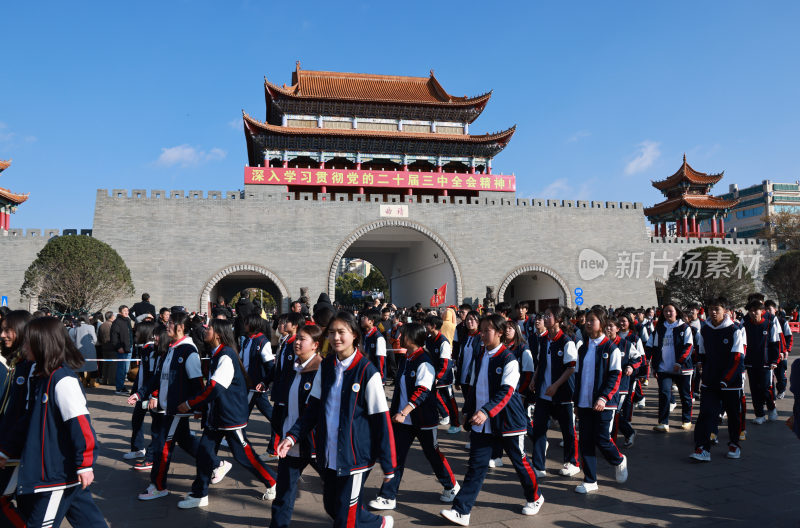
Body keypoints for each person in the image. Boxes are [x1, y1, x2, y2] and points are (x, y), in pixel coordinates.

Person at [276, 311, 396, 528]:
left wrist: (389, 466)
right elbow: (312, 409)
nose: (336, 338)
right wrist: (292, 436)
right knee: (332, 506)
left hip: (355, 458)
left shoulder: (368, 372)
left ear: (355, 335)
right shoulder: (327, 365)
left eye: (342, 332)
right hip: (329, 454)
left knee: (344, 519)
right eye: (331, 333)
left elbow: (382, 422)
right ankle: (377, 524)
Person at [0, 317, 107, 528]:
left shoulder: (63, 380)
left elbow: (81, 426)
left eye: (29, 342)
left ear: (42, 343)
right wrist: (6, 450)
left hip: (56, 475)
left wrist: (85, 464)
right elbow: (27, 421)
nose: (24, 346)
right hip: (49, 472)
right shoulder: (41, 377)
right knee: (88, 519)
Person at [441, 314, 543, 526]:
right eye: (482, 330)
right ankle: (461, 510)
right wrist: (467, 410)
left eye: (488, 330)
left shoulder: (509, 359)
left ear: (499, 333)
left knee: (519, 462)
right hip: (483, 423)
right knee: (476, 466)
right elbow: (476, 387)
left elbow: (506, 392)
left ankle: (535, 497)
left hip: (508, 422)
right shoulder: (481, 356)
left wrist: (486, 411)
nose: (483, 334)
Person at [177, 319, 277, 508]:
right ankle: (200, 493)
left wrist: (192, 403)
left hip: (230, 417)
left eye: (210, 328)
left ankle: (272, 480)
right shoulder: (217, 354)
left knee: (244, 456)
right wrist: (202, 409)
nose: (205, 329)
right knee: (205, 454)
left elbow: (214, 388)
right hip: (217, 416)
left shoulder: (226, 355)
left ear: (218, 334)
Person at [369, 322, 459, 512]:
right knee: (397, 457)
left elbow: (423, 391)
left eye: (403, 334)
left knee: (432, 454)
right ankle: (388, 496)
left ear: (412, 338)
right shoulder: (407, 359)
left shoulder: (424, 361)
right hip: (404, 422)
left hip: (422, 419)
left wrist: (404, 412)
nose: (400, 337)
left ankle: (451, 486)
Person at [129, 311, 214, 501]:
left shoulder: (188, 351)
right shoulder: (171, 349)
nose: (167, 326)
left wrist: (198, 407)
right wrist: (140, 393)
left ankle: (158, 486)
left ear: (181, 327)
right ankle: (215, 464)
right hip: (168, 408)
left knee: (162, 448)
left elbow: (197, 382)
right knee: (183, 441)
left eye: (171, 324)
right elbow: (158, 378)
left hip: (177, 410)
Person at [269, 324, 323, 527]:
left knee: (337, 497)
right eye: (297, 338)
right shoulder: (295, 368)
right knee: (283, 494)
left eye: (303, 339)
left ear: (315, 345)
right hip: (290, 442)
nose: (297, 343)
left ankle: (368, 522)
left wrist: (294, 435)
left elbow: (314, 413)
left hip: (315, 443)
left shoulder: (320, 371)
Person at [573, 308, 628, 494]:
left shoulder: (610, 348)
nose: (588, 323)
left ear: (602, 324)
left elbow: (615, 376)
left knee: (602, 438)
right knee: (585, 441)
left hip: (605, 403)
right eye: (587, 320)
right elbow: (578, 376)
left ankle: (618, 459)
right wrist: (576, 402)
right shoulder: (583, 348)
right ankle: (590, 480)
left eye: (592, 320)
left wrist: (604, 397)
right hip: (584, 402)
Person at [691, 297, 745, 462]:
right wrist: (700, 364)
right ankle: (702, 448)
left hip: (731, 383)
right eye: (711, 309)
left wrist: (726, 379)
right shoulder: (705, 330)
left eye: (717, 309)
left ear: (726, 311)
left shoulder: (734, 330)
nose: (713, 312)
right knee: (706, 414)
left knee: (734, 415)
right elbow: (701, 351)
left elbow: (737, 358)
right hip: (710, 381)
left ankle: (734, 444)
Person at [528, 305, 580, 478]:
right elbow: (540, 363)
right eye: (545, 315)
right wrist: (535, 379)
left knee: (567, 430)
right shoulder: (543, 340)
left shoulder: (567, 341)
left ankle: (572, 462)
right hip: (543, 393)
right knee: (539, 429)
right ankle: (538, 466)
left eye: (549, 315)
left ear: (558, 319)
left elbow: (571, 368)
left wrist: (556, 385)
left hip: (563, 393)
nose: (545, 318)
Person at [646, 303, 694, 432]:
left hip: (682, 368)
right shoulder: (659, 329)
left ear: (676, 312)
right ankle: (663, 423)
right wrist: (652, 363)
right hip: (664, 368)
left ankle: (686, 420)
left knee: (685, 395)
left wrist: (680, 362)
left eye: (670, 311)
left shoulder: (684, 327)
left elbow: (689, 346)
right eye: (665, 311)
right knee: (664, 394)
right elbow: (651, 346)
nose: (667, 313)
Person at [123, 320, 157, 463]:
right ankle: (137, 449)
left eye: (137, 331)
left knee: (158, 425)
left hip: (148, 394)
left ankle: (152, 454)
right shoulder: (146, 349)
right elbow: (142, 374)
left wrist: (146, 394)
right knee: (137, 419)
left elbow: (152, 375)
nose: (135, 333)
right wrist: (135, 391)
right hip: (142, 393)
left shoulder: (151, 349)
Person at [742, 299, 780, 424]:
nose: (753, 313)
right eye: (750, 311)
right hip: (751, 362)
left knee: (765, 388)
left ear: (762, 311)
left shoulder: (769, 324)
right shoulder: (745, 323)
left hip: (766, 363)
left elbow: (775, 343)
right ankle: (760, 415)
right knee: (754, 389)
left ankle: (772, 408)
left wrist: (774, 360)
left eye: (755, 310)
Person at [424, 315, 460, 434]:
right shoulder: (428, 339)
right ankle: (442, 417)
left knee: (450, 401)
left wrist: (438, 377)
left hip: (444, 379)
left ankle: (456, 424)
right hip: (432, 376)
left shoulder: (443, 341)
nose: (425, 326)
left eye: (427, 324)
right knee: (433, 399)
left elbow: (445, 364)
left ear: (434, 326)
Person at [69, 314, 98, 388]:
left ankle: (83, 380)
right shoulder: (91, 327)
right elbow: (95, 339)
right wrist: (91, 344)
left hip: (78, 350)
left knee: (80, 365)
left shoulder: (74, 328)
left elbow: (71, 340)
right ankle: (92, 382)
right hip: (90, 349)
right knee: (92, 365)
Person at [110, 305, 133, 395]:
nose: (127, 312)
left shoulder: (128, 320)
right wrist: (118, 347)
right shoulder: (117, 322)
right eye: (124, 311)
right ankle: (119, 388)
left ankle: (122, 386)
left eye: (127, 310)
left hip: (129, 347)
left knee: (125, 369)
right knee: (121, 369)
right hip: (122, 349)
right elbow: (114, 336)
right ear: (120, 312)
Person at [361, 309, 387, 380]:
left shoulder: (378, 338)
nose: (362, 319)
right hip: (364, 373)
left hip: (374, 376)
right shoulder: (363, 335)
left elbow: (381, 359)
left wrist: (381, 379)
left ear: (371, 321)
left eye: (364, 318)